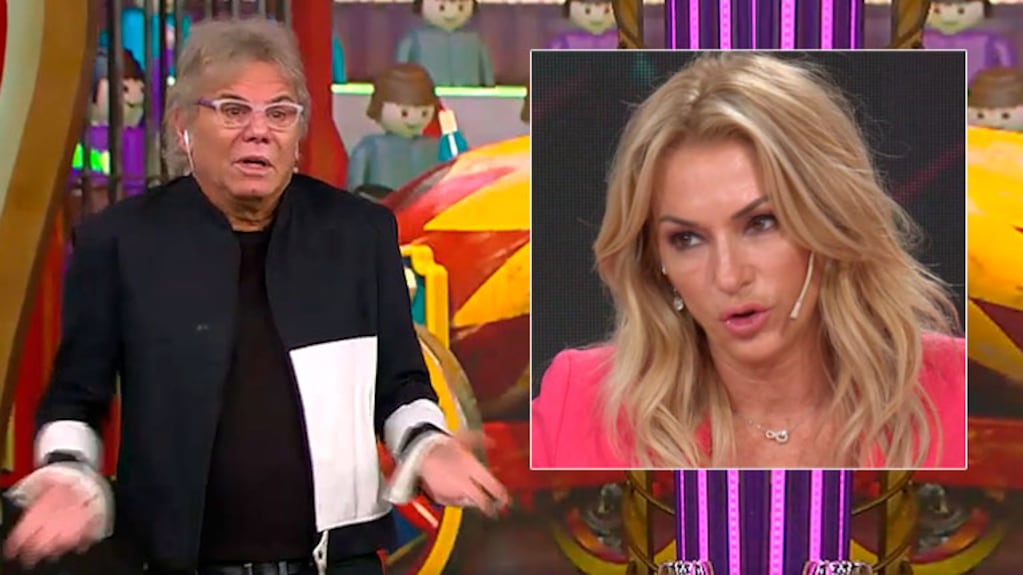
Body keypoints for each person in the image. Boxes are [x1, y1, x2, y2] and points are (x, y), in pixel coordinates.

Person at [4, 17, 507, 575]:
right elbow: (77, 396)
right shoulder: (120, 243)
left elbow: (401, 382)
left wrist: (427, 443)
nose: (259, 131)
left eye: (280, 113)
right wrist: (69, 472)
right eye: (233, 110)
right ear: (182, 126)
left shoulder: (359, 234)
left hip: (336, 563)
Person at [531, 53, 966, 470]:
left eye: (761, 223)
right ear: (656, 261)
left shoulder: (957, 390)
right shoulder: (580, 405)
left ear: (830, 221)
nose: (728, 276)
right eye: (686, 239)